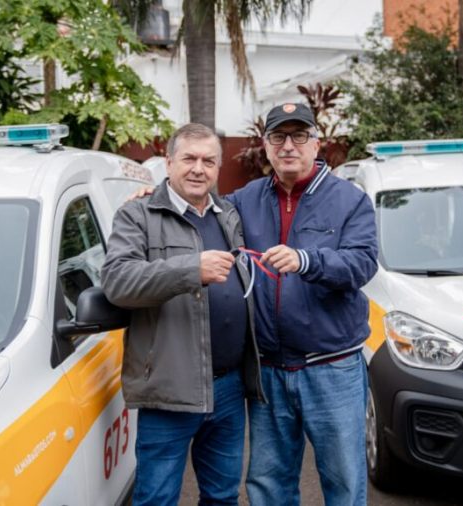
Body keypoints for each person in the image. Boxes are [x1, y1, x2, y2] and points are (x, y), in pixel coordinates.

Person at [101, 123, 264, 506]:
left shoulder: (228, 214)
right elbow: (118, 281)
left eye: (209, 161)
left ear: (218, 167)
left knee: (222, 496)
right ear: (169, 162)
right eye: (189, 158)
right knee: (157, 498)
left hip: (228, 389)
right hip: (169, 389)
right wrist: (191, 268)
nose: (198, 169)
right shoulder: (138, 214)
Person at [227, 103, 378, 506]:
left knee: (343, 482)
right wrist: (156, 195)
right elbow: (200, 214)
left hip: (332, 368)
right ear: (266, 145)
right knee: (268, 484)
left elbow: (362, 264)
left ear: (316, 143)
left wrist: (307, 260)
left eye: (299, 136)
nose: (288, 145)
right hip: (270, 369)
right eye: (278, 136)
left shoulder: (350, 200)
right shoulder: (246, 198)